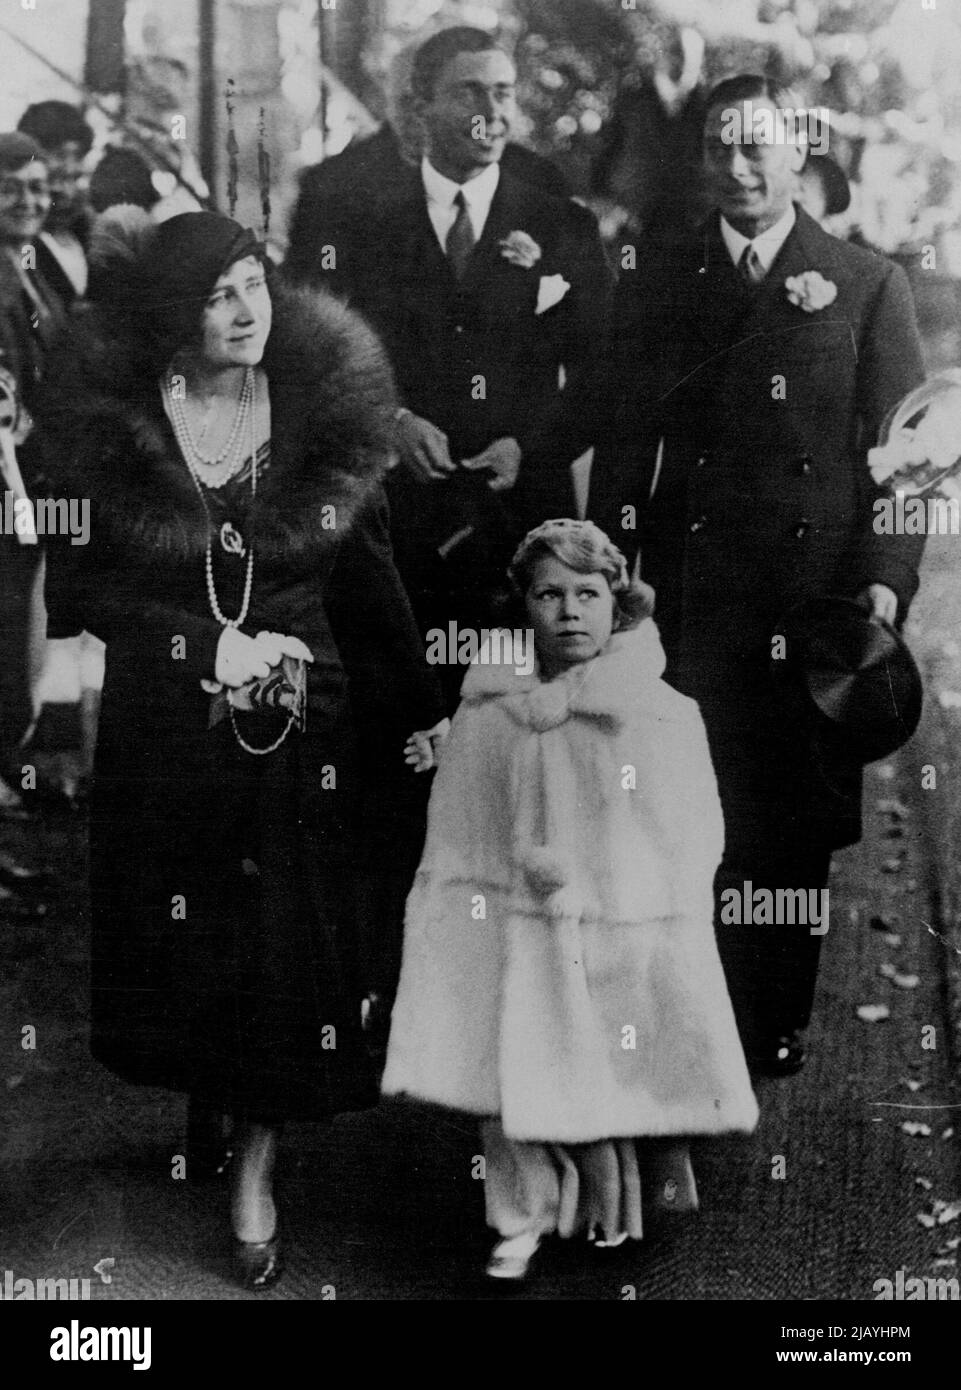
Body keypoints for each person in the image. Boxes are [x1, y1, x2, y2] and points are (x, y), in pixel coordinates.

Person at [39, 209, 446, 1289]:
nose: (244, 310)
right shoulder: (110, 432)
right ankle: (209, 1089)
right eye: (217, 294)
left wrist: (417, 710)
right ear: (174, 314)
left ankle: (255, 1171)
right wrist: (203, 645)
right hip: (170, 727)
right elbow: (81, 596)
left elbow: (369, 576)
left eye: (254, 283)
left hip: (305, 718)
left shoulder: (321, 413)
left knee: (287, 940)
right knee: (188, 936)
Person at [588, 74, 927, 1075]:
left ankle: (770, 1015)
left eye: (757, 147)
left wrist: (883, 582)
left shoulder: (866, 284)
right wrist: (611, 566)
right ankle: (688, 1011)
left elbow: (903, 461)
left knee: (787, 819)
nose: (738, 166)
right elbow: (623, 435)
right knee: (687, 805)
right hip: (689, 591)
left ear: (797, 153)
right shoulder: (659, 278)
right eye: (720, 148)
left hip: (811, 597)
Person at [383, 519, 758, 1281]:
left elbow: (689, 832)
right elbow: (460, 832)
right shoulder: (490, 710)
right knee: (507, 1072)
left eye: (586, 594)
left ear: (615, 603)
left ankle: (604, 1210)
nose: (568, 612)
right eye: (547, 594)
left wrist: (624, 899)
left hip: (614, 921)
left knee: (604, 1066)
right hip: (507, 921)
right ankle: (516, 1215)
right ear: (522, 606)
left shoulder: (657, 711)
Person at [286, 27, 613, 688]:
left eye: (502, 92)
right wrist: (390, 422)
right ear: (419, 109)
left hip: (519, 521)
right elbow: (307, 345)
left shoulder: (555, 216)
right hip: (392, 513)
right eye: (469, 92)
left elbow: (604, 364)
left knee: (514, 712)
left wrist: (530, 445)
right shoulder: (352, 212)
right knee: (400, 712)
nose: (491, 112)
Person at [0, 132, 66, 837]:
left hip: (31, 491)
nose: (28, 201)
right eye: (12, 188)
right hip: (5, 490)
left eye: (38, 187)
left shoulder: (28, 267)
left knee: (20, 652)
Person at [17, 102, 94, 309]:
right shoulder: (19, 243)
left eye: (74, 178)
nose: (66, 191)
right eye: (54, 178)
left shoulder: (86, 232)